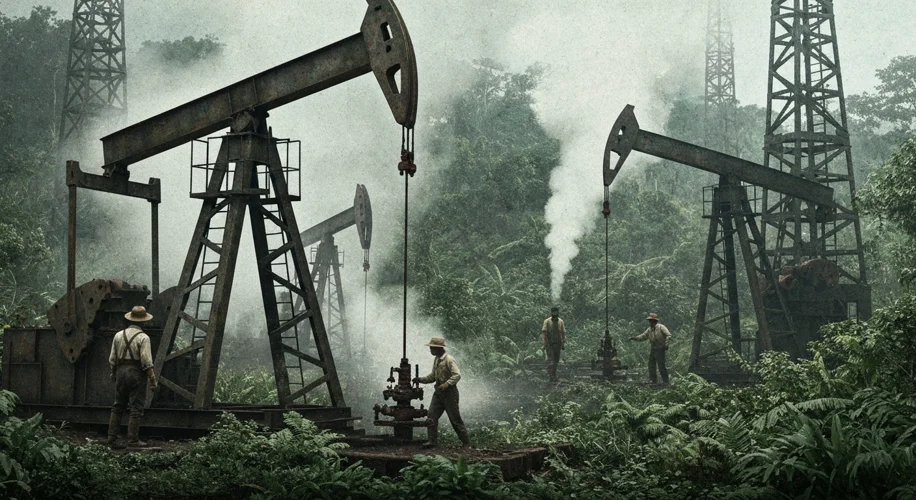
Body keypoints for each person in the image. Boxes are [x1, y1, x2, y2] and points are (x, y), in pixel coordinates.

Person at [107, 305, 158, 448]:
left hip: (121, 371)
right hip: (136, 373)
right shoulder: (143, 338)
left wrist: (113, 373)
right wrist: (153, 380)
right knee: (135, 407)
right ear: (143, 321)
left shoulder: (118, 335)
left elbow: (112, 358)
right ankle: (133, 440)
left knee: (118, 405)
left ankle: (111, 438)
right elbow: (147, 362)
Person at [412, 337, 470, 448]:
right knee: (431, 416)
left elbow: (457, 375)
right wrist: (420, 379)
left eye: (432, 348)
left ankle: (466, 443)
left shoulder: (449, 359)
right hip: (438, 392)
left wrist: (447, 384)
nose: (430, 350)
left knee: (455, 419)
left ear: (439, 348)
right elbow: (433, 376)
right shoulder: (437, 360)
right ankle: (432, 441)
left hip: (449, 393)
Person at [629, 312, 671, 385]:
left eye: (651, 320)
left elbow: (668, 335)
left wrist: (666, 343)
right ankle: (653, 380)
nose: (650, 322)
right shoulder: (649, 330)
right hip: (653, 348)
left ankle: (666, 381)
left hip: (660, 348)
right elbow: (642, 337)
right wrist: (634, 338)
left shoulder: (661, 327)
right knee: (651, 365)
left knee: (661, 365)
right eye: (650, 321)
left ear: (655, 321)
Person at [541, 306, 567, 383]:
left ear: (558, 312)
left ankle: (554, 375)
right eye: (553, 312)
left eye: (556, 312)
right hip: (550, 344)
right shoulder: (547, 321)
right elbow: (544, 333)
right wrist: (544, 344)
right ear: (551, 313)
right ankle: (550, 376)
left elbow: (563, 332)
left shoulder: (560, 321)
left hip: (558, 343)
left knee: (556, 360)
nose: (555, 313)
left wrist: (563, 342)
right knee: (550, 360)